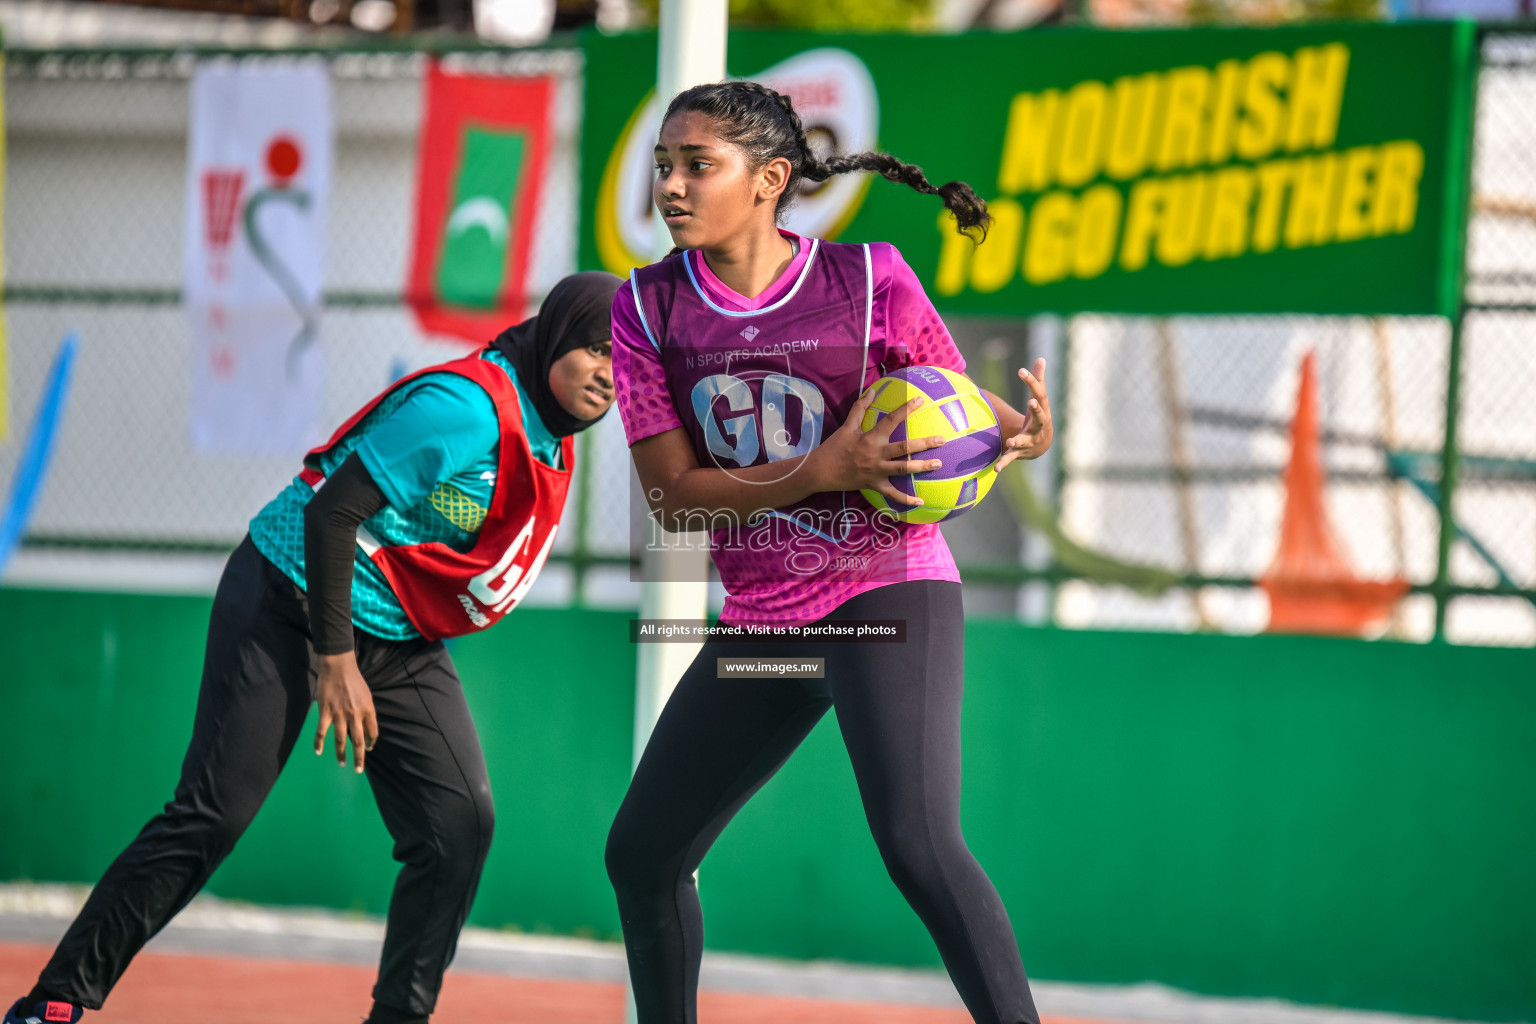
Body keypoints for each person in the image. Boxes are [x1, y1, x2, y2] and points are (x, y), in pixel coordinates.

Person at [5, 272, 622, 1024]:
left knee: (459, 821)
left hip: (393, 627)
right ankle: (54, 1003)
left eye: (625, 360)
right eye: (597, 351)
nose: (610, 376)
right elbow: (332, 512)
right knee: (212, 815)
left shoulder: (551, 438)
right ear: (557, 336)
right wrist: (334, 660)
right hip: (291, 591)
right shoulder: (466, 409)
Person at [603, 82, 1054, 1024]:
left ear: (769, 179)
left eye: (698, 165)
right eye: (664, 166)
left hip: (883, 600)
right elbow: (671, 500)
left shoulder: (871, 279)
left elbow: (950, 409)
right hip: (769, 627)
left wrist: (1011, 435)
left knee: (919, 845)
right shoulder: (646, 308)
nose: (672, 187)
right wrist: (821, 468)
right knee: (643, 854)